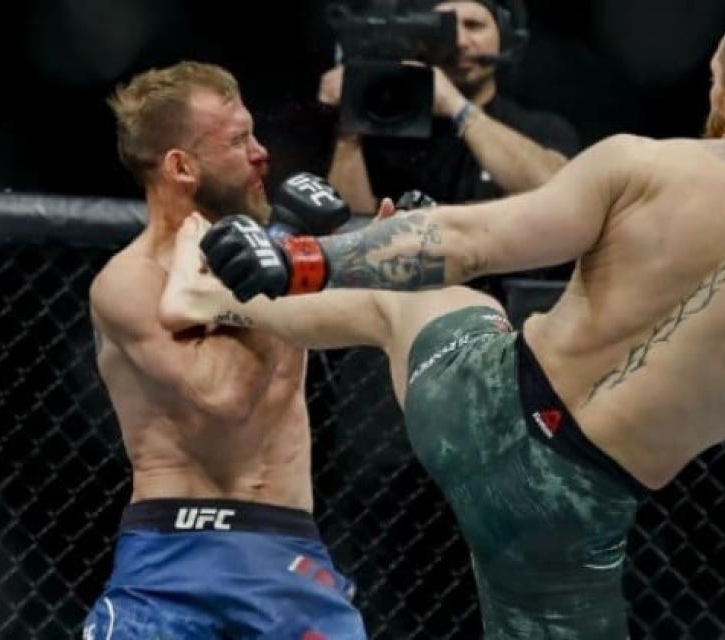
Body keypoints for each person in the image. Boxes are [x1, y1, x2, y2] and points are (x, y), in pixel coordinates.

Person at [159, 35, 725, 640]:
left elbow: (470, 240)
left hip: (475, 404)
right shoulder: (644, 167)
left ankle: (213, 297)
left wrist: (303, 258)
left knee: (417, 297)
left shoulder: (643, 166)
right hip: (572, 517)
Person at [82, 61, 367, 640]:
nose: (262, 154)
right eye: (238, 141)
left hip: (290, 550)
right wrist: (280, 251)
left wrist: (391, 249)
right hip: (174, 561)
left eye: (254, 135)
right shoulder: (133, 281)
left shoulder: (287, 256)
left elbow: (370, 323)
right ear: (180, 166)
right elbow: (224, 397)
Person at [320, 0, 579, 214]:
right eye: (442, 28)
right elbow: (349, 224)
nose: (459, 41)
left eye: (474, 26)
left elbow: (561, 193)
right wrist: (350, 122)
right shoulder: (387, 127)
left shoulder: (540, 128)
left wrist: (457, 106)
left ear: (505, 37)